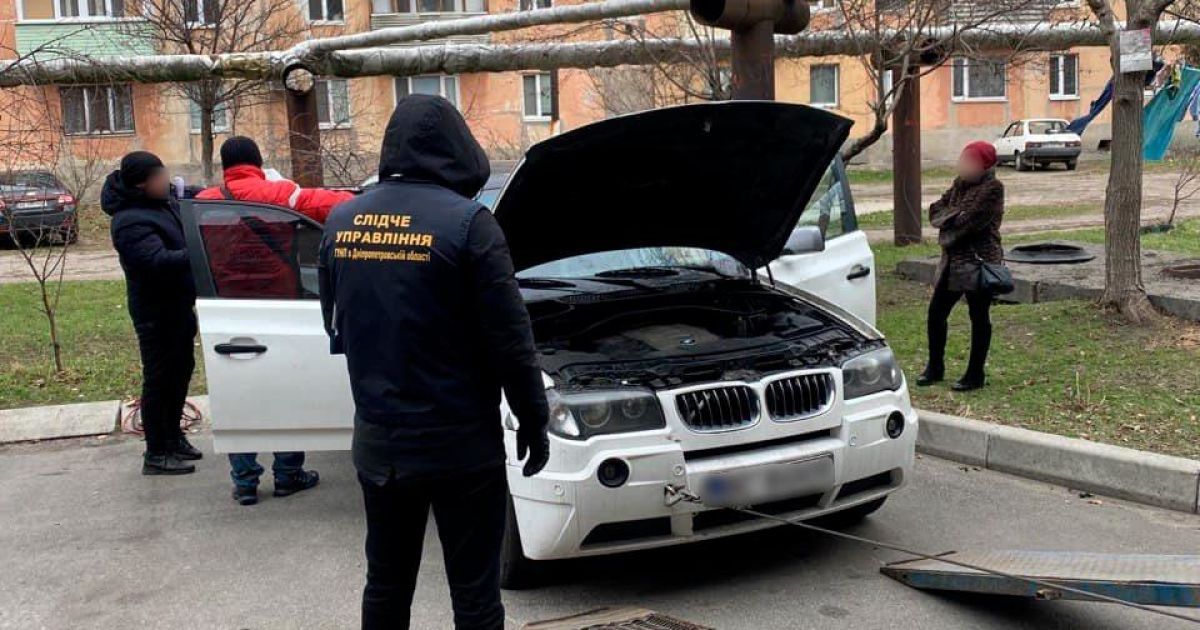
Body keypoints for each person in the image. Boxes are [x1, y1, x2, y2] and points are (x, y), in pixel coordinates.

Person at [318, 94, 550, 630]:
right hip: (460, 447)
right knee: (475, 595)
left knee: (386, 583)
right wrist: (533, 418)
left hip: (379, 444)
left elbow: (337, 323)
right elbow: (511, 341)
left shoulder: (341, 221)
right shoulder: (470, 225)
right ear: (457, 146)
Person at [198, 136, 339, 505]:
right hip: (281, 308)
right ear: (258, 162)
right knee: (286, 393)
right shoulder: (282, 194)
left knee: (240, 396)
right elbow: (330, 206)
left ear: (223, 166)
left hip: (227, 313)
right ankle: (287, 474)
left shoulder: (203, 204)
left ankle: (245, 483)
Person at [102, 152, 202, 475]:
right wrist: (201, 253)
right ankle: (157, 452)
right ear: (142, 183)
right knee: (160, 380)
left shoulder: (161, 203)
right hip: (155, 314)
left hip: (178, 307)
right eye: (160, 177)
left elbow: (193, 197)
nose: (167, 181)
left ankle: (173, 437)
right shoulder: (129, 220)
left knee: (181, 371)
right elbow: (156, 262)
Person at [918, 141, 1005, 393]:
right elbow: (935, 211)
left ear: (984, 164)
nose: (963, 164)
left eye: (970, 160)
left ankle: (975, 373)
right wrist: (952, 217)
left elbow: (969, 224)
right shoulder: (958, 185)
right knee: (936, 313)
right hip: (952, 263)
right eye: (963, 158)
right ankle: (935, 367)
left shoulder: (993, 188)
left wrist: (951, 220)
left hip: (978, 262)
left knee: (979, 317)